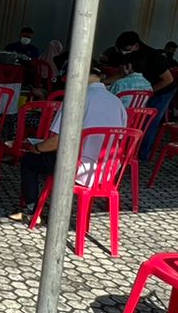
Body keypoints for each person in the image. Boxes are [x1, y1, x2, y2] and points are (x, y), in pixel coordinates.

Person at [8, 65, 128, 220]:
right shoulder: (116, 102)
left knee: (29, 161)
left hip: (77, 168)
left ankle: (32, 209)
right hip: (108, 171)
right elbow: (120, 138)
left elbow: (58, 141)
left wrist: (37, 148)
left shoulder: (76, 99)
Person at [116, 30, 178, 161]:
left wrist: (147, 92)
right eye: (121, 50)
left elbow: (168, 79)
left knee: (149, 121)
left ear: (136, 46)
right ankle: (129, 151)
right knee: (137, 119)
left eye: (126, 49)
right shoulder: (129, 55)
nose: (123, 52)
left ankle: (142, 155)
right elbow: (122, 74)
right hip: (147, 87)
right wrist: (102, 81)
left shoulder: (153, 56)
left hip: (164, 90)